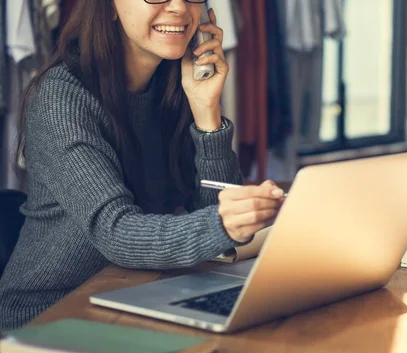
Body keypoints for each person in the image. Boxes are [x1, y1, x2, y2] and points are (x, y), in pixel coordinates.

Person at [0, 0, 285, 331]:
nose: (179, 7)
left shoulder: (175, 85)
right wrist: (223, 224)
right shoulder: (60, 99)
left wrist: (207, 113)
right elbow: (116, 233)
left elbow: (212, 215)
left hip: (132, 296)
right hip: (43, 317)